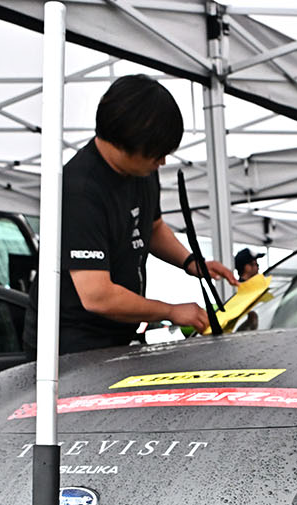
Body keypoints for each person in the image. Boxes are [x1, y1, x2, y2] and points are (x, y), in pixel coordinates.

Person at [38, 75, 237, 354]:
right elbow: (97, 296)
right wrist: (170, 311)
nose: (162, 161)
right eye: (156, 154)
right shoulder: (79, 190)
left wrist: (191, 262)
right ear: (125, 144)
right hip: (72, 348)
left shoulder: (143, 170)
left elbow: (152, 227)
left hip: (119, 337)